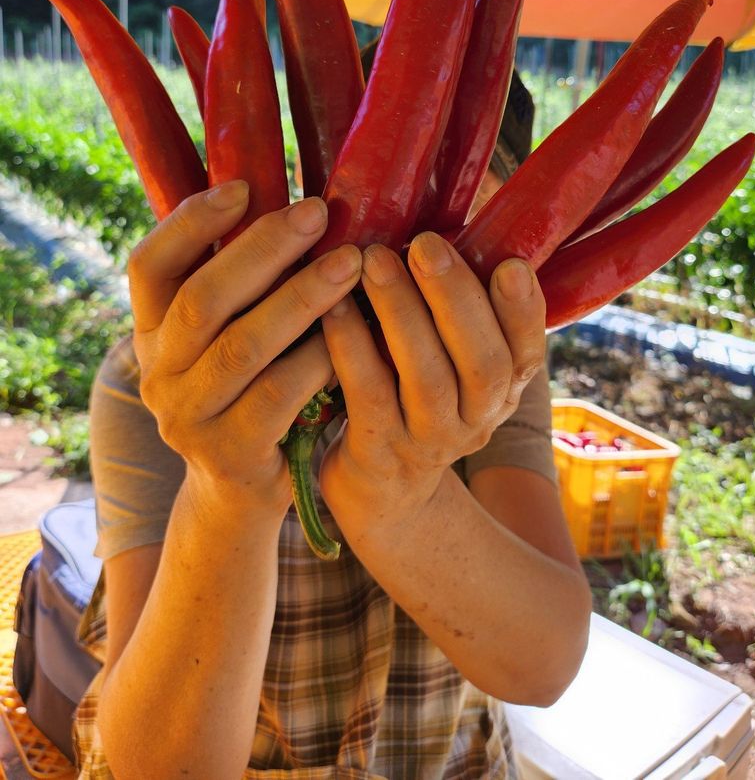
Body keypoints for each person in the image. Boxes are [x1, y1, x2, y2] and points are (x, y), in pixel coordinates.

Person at [72, 67, 591, 779]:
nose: (410, 274)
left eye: (455, 251)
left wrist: (403, 501)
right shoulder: (171, 387)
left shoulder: (482, 369)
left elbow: (543, 665)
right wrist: (227, 494)